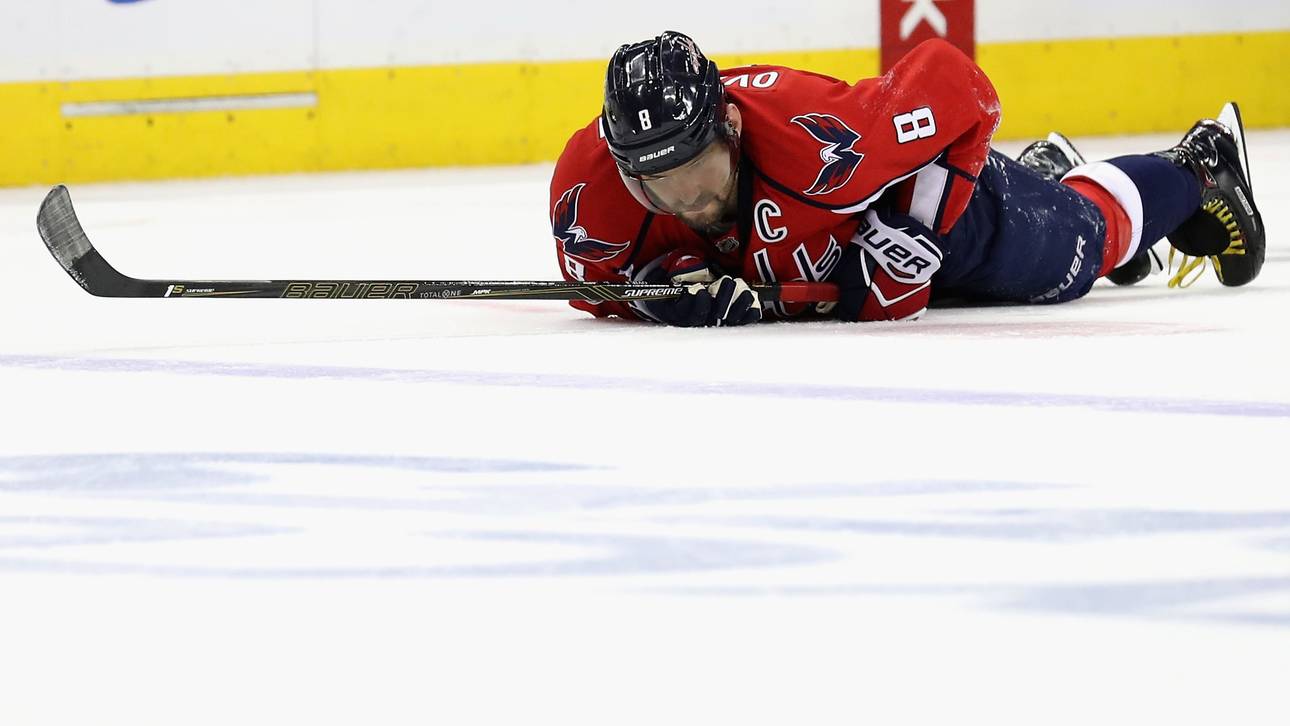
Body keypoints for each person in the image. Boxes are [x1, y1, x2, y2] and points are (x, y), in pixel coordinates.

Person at [548, 30, 1265, 326]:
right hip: (839, 258)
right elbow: (597, 284)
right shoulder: (590, 194)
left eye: (694, 173)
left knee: (1078, 251)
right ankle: (1041, 170)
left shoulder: (825, 140)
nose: (683, 201)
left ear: (730, 129)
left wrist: (912, 231)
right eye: (655, 185)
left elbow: (958, 85)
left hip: (905, 197)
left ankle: (1199, 167)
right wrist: (655, 291)